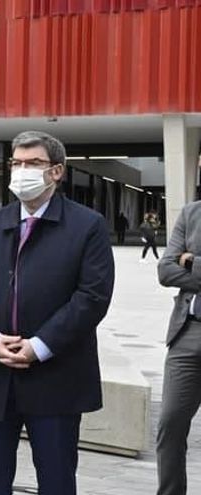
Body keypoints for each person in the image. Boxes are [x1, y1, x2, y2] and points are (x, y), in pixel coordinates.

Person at [0, 131, 115, 495]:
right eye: (17, 163)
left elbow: (92, 296)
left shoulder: (87, 226)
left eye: (33, 163)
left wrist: (39, 345)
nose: (22, 170)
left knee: (56, 480)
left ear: (56, 171)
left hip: (55, 377)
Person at [155, 199, 201, 495]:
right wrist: (180, 260)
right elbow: (165, 270)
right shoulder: (192, 212)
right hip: (188, 332)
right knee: (170, 423)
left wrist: (193, 261)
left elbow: (180, 265)